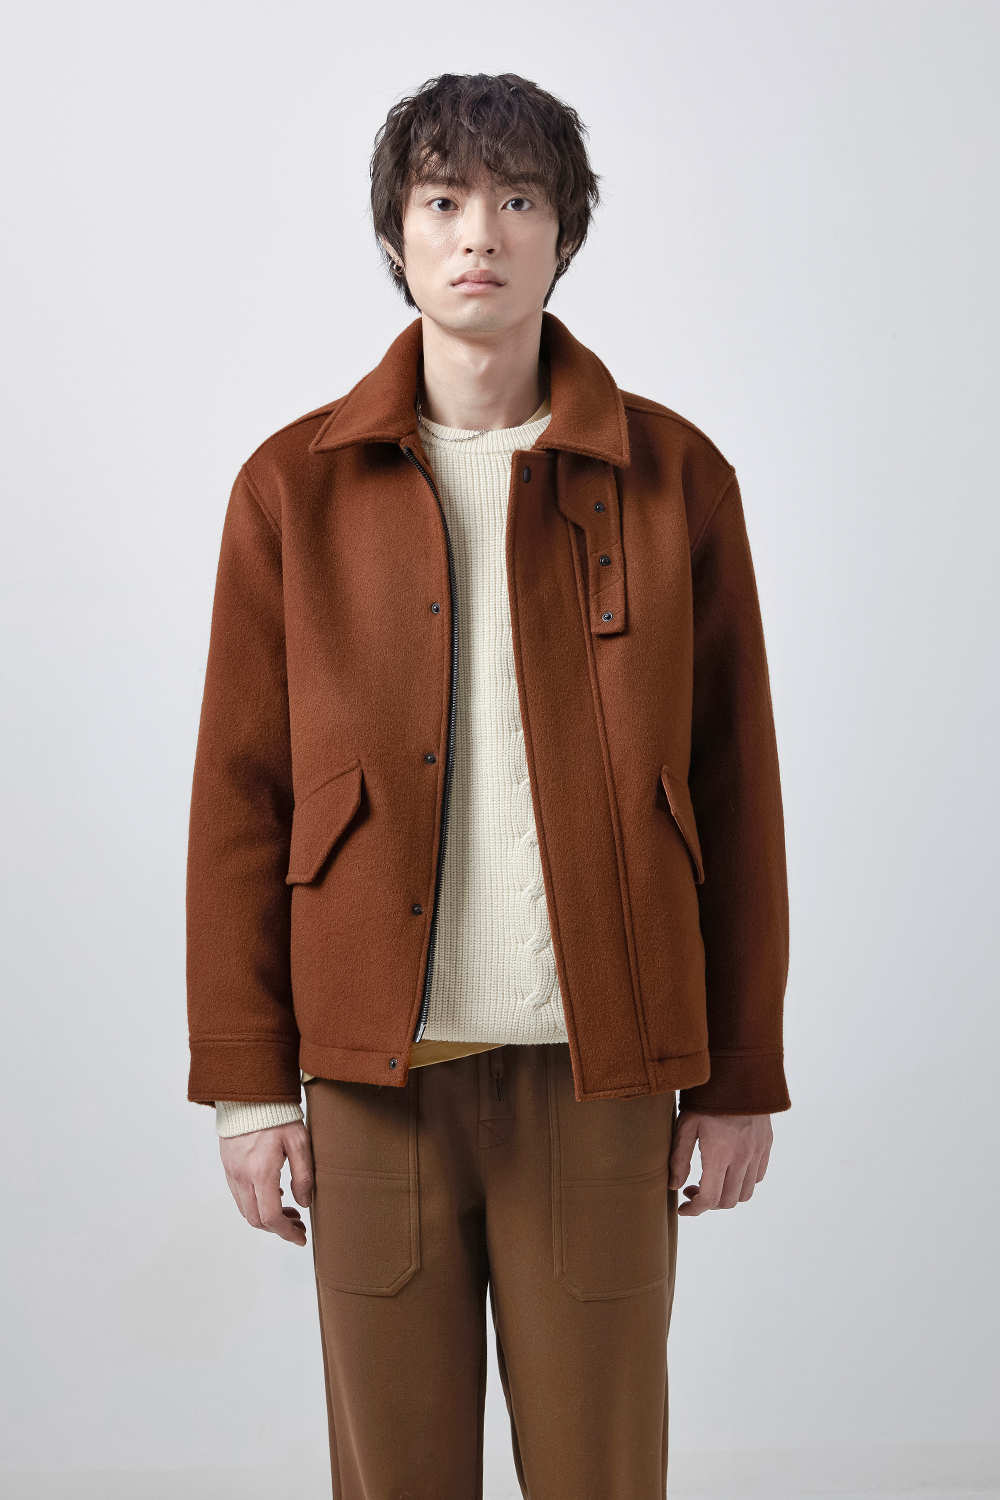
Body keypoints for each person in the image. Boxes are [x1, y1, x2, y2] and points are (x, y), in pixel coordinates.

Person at [186, 71, 790, 1500]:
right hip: (372, 1084)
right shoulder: (292, 488)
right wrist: (247, 1091)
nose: (480, 234)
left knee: (602, 1475)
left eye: (519, 200)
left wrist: (740, 1076)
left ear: (564, 232)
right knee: (394, 1478)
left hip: (605, 1074)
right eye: (444, 199)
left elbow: (736, 787)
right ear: (396, 233)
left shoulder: (674, 478)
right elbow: (240, 801)